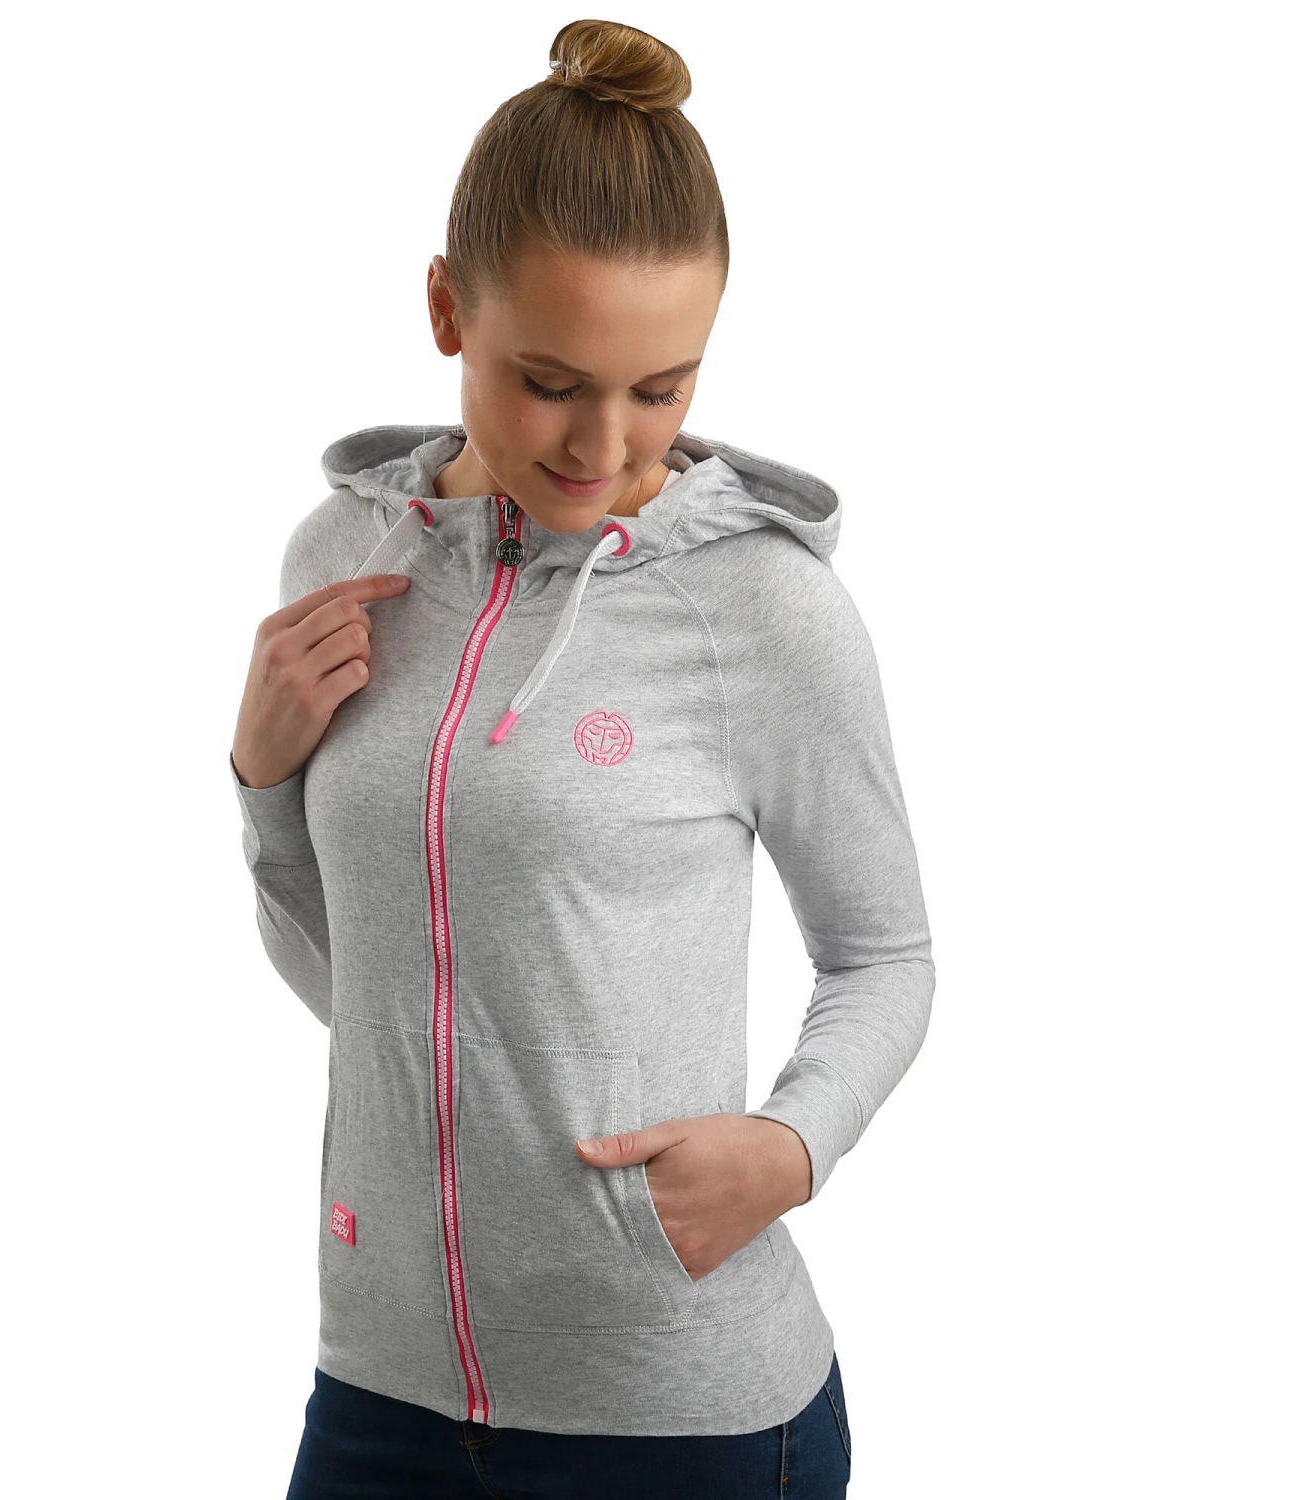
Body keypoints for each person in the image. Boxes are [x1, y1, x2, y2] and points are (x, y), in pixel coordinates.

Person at [229, 18, 934, 1498]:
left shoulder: (764, 610)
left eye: (660, 388)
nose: (606, 445)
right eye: (550, 380)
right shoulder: (343, 561)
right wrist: (263, 785)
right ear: (446, 308)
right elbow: (363, 995)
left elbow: (885, 957)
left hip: (679, 1412)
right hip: (381, 1386)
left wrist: (790, 1149)